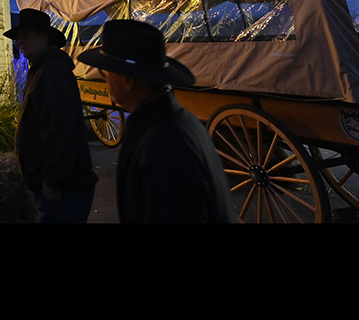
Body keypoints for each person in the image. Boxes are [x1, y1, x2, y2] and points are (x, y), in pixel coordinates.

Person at [78, 19, 239, 224]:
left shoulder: (159, 146)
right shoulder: (174, 122)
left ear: (127, 81)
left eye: (105, 72)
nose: (104, 79)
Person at [4, 8, 97, 223]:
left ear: (44, 36)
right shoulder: (42, 68)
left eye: (25, 35)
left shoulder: (52, 71)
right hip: (60, 187)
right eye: (18, 37)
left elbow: (61, 131)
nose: (20, 41)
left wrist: (54, 182)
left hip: (65, 190)